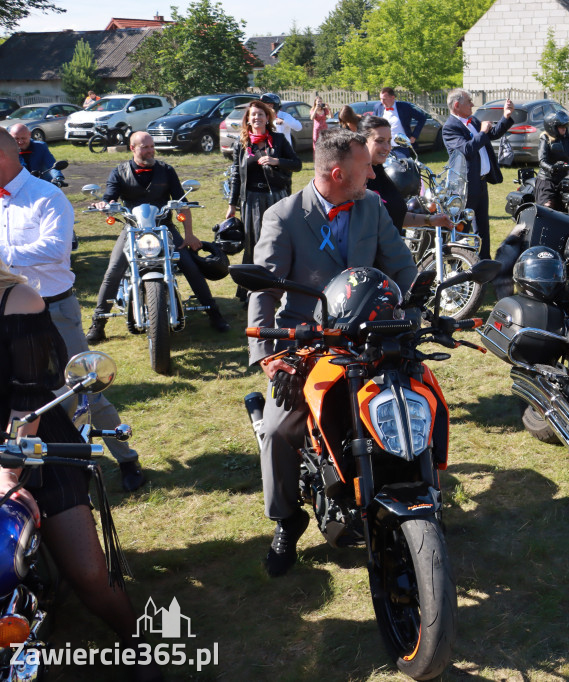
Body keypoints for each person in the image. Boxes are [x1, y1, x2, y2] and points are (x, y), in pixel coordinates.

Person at [248, 128, 417, 577]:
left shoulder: (371, 207)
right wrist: (272, 356)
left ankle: (417, 490)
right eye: (367, 166)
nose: (374, 171)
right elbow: (264, 291)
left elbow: (401, 263)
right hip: (308, 339)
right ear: (339, 173)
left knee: (415, 396)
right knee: (279, 428)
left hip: (369, 331)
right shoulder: (283, 216)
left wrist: (409, 304)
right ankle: (287, 519)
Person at [0, 261, 161, 682]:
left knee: (87, 571)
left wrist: (8, 470)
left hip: (25, 438)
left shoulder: (19, 300)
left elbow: (27, 397)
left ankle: (137, 648)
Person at [0, 127, 146, 492]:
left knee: (82, 390)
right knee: (21, 395)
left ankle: (127, 458)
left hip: (54, 310)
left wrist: (4, 258)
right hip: (8, 314)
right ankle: (40, 475)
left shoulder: (46, 196)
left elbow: (55, 249)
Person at [85, 131, 230, 340]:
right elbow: (109, 198)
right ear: (132, 148)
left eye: (152, 146)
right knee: (114, 270)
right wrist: (102, 205)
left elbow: (182, 203)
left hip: (164, 227)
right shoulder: (119, 172)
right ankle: (98, 324)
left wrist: (189, 235)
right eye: (145, 147)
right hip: (133, 229)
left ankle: (214, 314)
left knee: (189, 265)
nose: (150, 150)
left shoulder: (166, 170)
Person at [225, 100, 302, 298]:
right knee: (254, 244)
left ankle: (282, 289)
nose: (257, 118)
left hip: (276, 197)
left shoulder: (278, 140)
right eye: (253, 115)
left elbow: (297, 164)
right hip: (250, 200)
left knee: (278, 241)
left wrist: (276, 160)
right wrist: (232, 205)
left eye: (261, 114)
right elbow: (236, 175)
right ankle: (251, 291)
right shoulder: (241, 143)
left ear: (268, 118)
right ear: (248, 120)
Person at [442, 88, 514, 259]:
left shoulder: (472, 120)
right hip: (465, 187)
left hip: (480, 183)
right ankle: (459, 266)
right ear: (457, 105)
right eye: (469, 101)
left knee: (482, 227)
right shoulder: (449, 128)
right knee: (463, 229)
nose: (473, 104)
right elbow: (466, 150)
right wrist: (482, 132)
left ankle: (484, 263)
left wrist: (506, 116)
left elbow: (493, 134)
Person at [359, 115, 454, 233]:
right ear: (363, 142)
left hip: (391, 249)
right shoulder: (355, 180)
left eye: (389, 141)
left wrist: (431, 220)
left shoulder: (381, 174)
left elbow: (396, 216)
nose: (387, 147)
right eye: (380, 141)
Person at [535, 110, 569, 211]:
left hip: (563, 178)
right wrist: (551, 168)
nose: (564, 129)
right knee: (548, 208)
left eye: (565, 126)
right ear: (552, 127)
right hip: (547, 180)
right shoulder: (545, 139)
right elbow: (542, 160)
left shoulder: (567, 138)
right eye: (561, 126)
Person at [372, 87, 426, 159]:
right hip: (383, 147)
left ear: (392, 97)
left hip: (401, 147)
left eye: (384, 99)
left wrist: (414, 136)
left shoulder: (404, 107)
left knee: (403, 168)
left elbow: (422, 118)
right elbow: (373, 124)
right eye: (381, 99)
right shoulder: (378, 107)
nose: (382, 102)